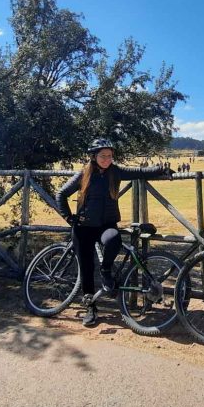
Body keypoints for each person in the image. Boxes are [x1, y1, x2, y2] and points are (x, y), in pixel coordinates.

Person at [56, 138, 171, 327]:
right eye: (103, 156)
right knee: (85, 267)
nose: (107, 159)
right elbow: (61, 194)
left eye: (110, 156)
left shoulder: (114, 172)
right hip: (84, 228)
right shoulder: (84, 174)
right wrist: (69, 218)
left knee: (114, 240)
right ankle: (91, 307)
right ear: (93, 156)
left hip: (106, 225)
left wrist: (161, 170)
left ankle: (106, 270)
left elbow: (139, 172)